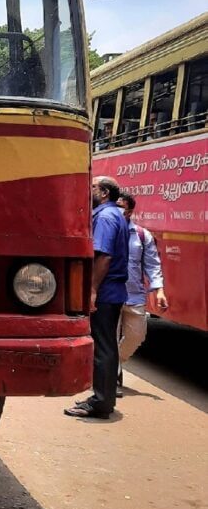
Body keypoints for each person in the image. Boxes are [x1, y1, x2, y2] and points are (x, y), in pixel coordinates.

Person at [64, 175, 129, 419]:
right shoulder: (113, 215)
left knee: (103, 346)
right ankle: (102, 398)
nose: (88, 191)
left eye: (92, 187)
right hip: (111, 290)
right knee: (106, 345)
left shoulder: (104, 217)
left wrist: (91, 290)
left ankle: (101, 402)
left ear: (103, 193)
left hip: (105, 291)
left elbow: (104, 256)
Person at [115, 193, 169, 391]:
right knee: (108, 337)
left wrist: (159, 290)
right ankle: (109, 377)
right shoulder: (104, 230)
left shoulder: (141, 235)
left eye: (123, 207)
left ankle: (112, 363)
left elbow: (153, 264)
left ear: (130, 211)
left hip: (134, 295)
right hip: (110, 295)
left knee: (136, 336)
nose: (119, 210)